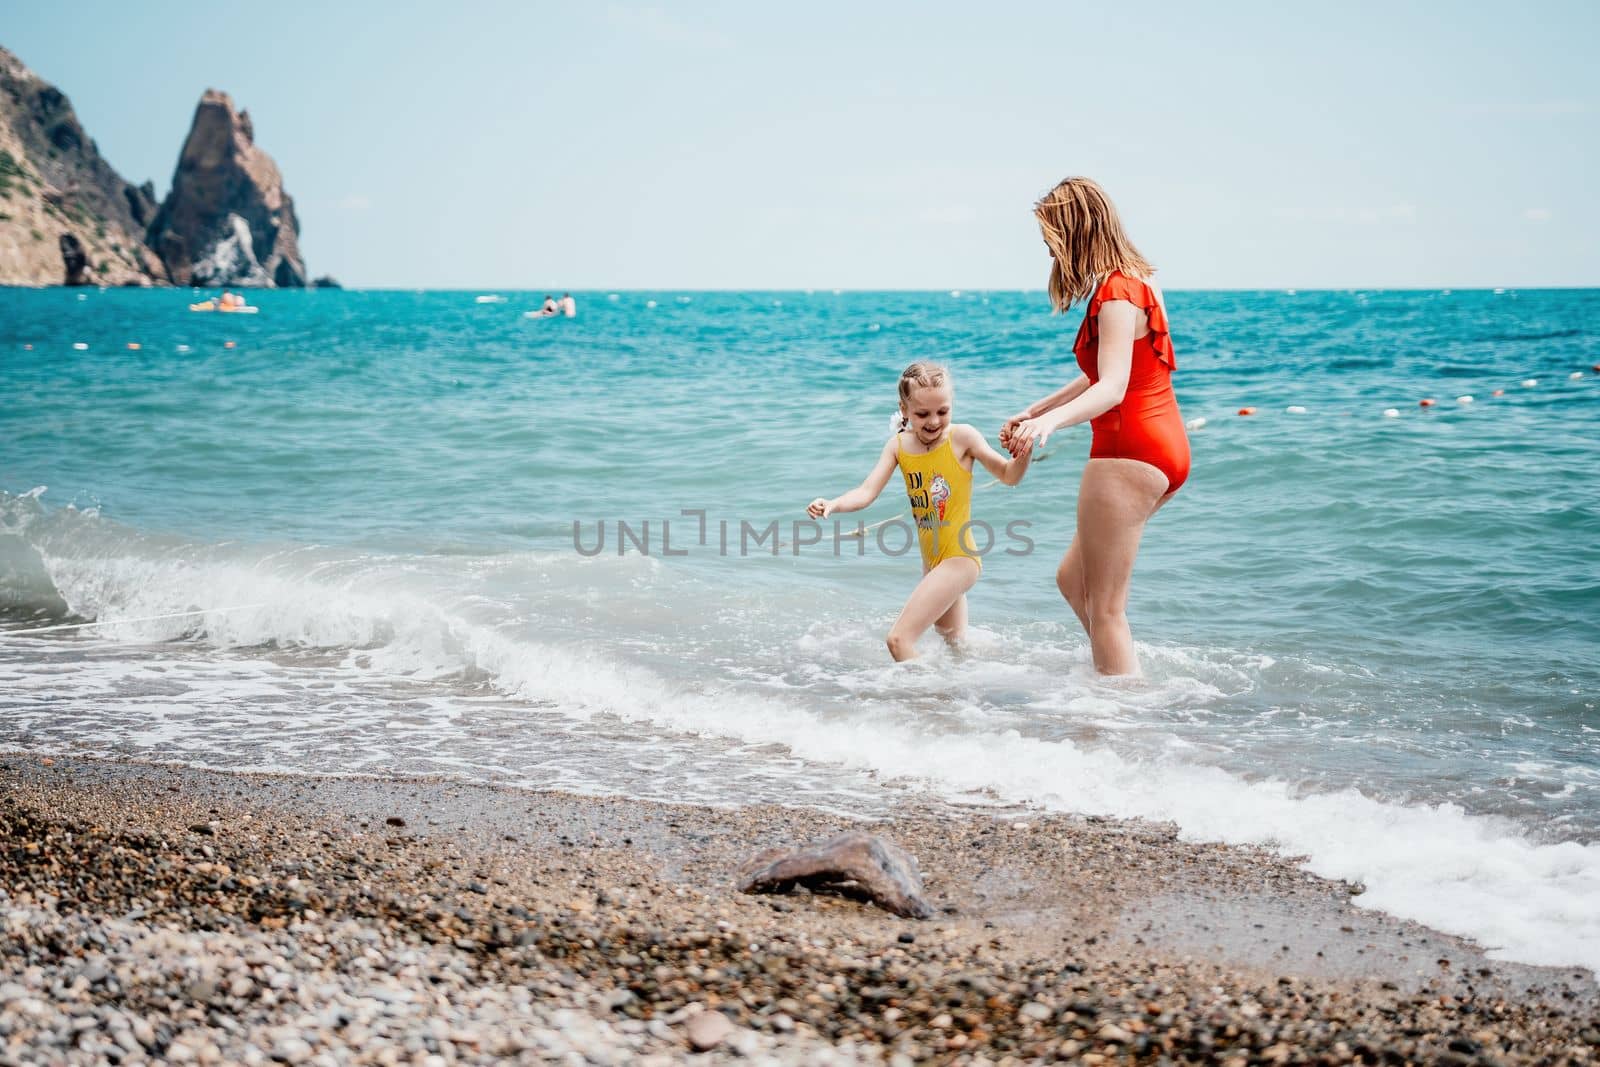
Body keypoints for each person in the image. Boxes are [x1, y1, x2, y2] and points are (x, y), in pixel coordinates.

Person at [1001, 176, 1189, 677]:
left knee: (1106, 611)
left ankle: (1121, 719)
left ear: (1075, 232)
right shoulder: (1140, 279)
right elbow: (1106, 371)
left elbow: (1112, 390)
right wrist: (1038, 409)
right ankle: (1118, 673)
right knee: (1071, 580)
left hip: (1127, 451)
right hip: (1162, 445)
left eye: (1051, 243)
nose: (1050, 254)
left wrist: (1051, 425)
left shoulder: (1114, 293)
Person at [808, 362, 1033, 661]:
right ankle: (968, 699)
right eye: (922, 414)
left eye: (943, 411)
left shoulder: (963, 437)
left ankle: (926, 704)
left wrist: (1024, 452)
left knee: (899, 640)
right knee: (955, 645)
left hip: (959, 558)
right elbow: (866, 493)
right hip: (932, 563)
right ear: (904, 410)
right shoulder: (898, 446)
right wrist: (833, 504)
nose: (934, 421)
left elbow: (1008, 475)